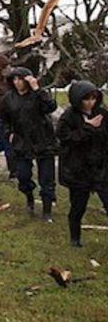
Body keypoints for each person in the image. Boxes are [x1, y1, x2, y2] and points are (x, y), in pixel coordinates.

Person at [0, 66, 58, 221]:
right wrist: (8, 133)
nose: (18, 82)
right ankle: (29, 196)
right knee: (23, 176)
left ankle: (47, 210)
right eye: (15, 79)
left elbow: (50, 107)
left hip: (43, 139)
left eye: (21, 79)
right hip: (22, 141)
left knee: (47, 178)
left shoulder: (38, 95)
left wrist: (37, 89)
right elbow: (4, 119)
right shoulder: (8, 98)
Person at [56, 80, 108, 247]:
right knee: (78, 207)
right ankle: (75, 238)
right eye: (86, 99)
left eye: (93, 98)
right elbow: (66, 139)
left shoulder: (102, 114)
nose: (90, 103)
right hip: (78, 169)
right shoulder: (68, 117)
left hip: (100, 167)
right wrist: (88, 127)